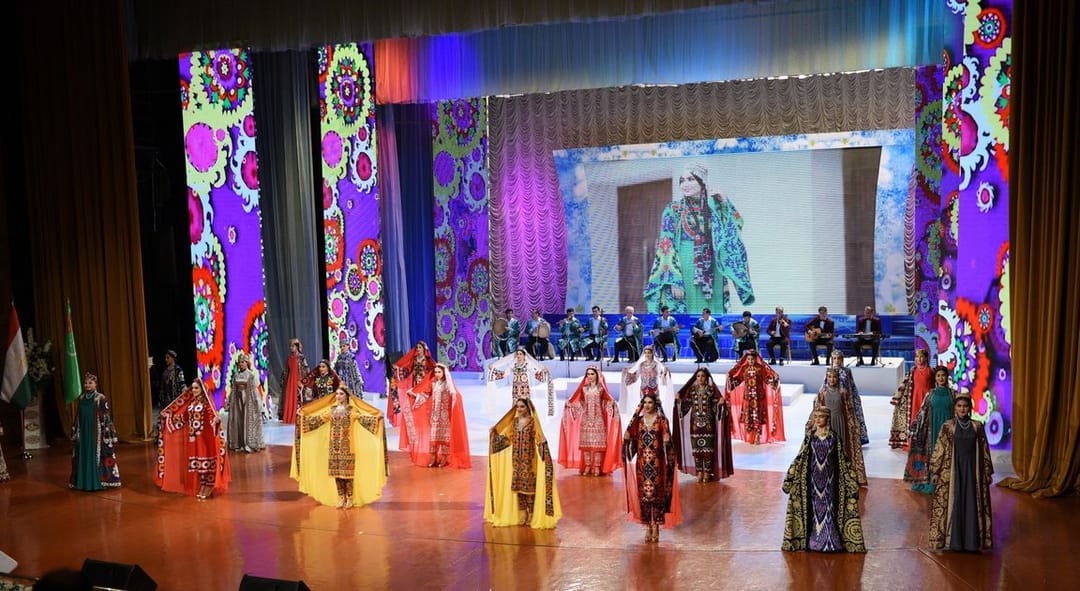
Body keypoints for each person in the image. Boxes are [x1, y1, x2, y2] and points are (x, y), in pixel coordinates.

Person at [643, 164, 754, 314]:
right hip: (683, 265)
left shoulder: (715, 206)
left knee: (714, 311)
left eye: (690, 179)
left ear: (702, 182)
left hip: (712, 267)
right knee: (687, 313)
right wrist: (674, 280)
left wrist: (725, 203)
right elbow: (666, 244)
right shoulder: (673, 209)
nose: (685, 184)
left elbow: (735, 227)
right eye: (682, 180)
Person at [781, 407, 866, 553]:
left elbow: (843, 460)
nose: (817, 419)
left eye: (821, 416)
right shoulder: (810, 438)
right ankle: (815, 540)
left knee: (829, 507)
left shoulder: (834, 438)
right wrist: (791, 477)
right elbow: (800, 458)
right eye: (815, 417)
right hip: (813, 480)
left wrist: (851, 481)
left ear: (827, 418)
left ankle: (830, 540)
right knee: (815, 509)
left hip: (830, 480)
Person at [292, 385, 387, 509]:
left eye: (341, 394)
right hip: (334, 448)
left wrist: (377, 417)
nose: (338, 396)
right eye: (337, 394)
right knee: (337, 474)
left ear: (347, 396)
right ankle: (341, 497)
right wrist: (303, 416)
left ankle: (350, 498)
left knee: (347, 475)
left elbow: (363, 419)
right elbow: (317, 420)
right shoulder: (332, 410)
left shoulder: (351, 411)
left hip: (347, 448)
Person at [929, 396, 994, 552]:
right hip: (952, 470)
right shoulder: (948, 426)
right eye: (959, 406)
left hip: (973, 471)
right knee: (955, 502)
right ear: (955, 408)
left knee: (972, 502)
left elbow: (984, 450)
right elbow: (940, 448)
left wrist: (987, 471)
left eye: (965, 406)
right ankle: (954, 541)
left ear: (969, 408)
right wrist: (936, 471)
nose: (962, 409)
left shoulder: (977, 426)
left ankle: (971, 542)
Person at [484, 398, 562, 529]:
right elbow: (507, 437)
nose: (519, 409)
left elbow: (539, 437)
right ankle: (523, 514)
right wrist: (494, 433)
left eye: (522, 407)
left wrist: (543, 447)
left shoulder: (532, 422)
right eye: (518, 407)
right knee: (519, 490)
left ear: (528, 408)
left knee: (529, 490)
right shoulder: (514, 422)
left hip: (529, 462)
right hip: (516, 462)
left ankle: (531, 514)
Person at [155, 378, 230, 500]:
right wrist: (168, 417)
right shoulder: (191, 404)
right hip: (193, 439)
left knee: (206, 462)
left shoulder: (207, 404)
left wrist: (215, 421)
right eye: (193, 388)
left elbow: (212, 416)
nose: (194, 390)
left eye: (196, 388)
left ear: (202, 390)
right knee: (197, 465)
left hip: (205, 439)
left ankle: (209, 485)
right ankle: (203, 485)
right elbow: (183, 418)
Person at [623, 393, 682, 543]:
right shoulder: (639, 421)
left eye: (650, 402)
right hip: (642, 465)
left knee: (656, 494)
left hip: (657, 464)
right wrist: (628, 437)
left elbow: (668, 441)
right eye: (645, 403)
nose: (647, 405)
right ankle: (647, 526)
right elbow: (633, 438)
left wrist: (667, 440)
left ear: (655, 404)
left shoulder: (661, 420)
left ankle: (656, 527)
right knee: (644, 495)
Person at [558, 367, 622, 476]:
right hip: (586, 419)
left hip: (598, 419)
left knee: (598, 445)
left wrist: (611, 404)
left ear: (597, 375)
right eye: (588, 374)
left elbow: (608, 401)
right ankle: (587, 466)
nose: (590, 376)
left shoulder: (601, 389)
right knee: (586, 445)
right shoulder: (584, 389)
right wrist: (571, 405)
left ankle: (597, 467)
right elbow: (581, 403)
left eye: (592, 374)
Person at [673, 367, 734, 483]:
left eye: (703, 376)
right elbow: (685, 407)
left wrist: (721, 404)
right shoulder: (692, 391)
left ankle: (707, 472)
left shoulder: (711, 391)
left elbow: (717, 408)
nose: (700, 378)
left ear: (707, 378)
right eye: (698, 376)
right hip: (695, 424)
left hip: (708, 424)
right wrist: (679, 401)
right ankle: (699, 472)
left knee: (708, 450)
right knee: (697, 450)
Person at [405, 364, 471, 468]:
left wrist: (454, 396)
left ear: (444, 373)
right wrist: (413, 394)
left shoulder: (448, 385)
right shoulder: (433, 383)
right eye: (435, 372)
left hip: (445, 416)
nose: (437, 374)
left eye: (439, 372)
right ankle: (433, 457)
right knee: (434, 436)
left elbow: (456, 395)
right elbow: (425, 395)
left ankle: (444, 457)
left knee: (444, 437)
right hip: (435, 415)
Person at [904, 366, 957, 493]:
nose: (941, 378)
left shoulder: (953, 394)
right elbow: (922, 412)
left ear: (947, 377)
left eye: (943, 375)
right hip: (933, 429)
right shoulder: (930, 394)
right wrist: (915, 429)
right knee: (933, 453)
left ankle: (947, 481)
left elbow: (958, 412)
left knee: (946, 453)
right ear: (935, 378)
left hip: (948, 429)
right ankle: (931, 479)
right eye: (938, 376)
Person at [813, 369, 867, 486]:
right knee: (828, 449)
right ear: (826, 378)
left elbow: (849, 410)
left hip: (840, 423)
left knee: (841, 448)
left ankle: (840, 476)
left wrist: (853, 425)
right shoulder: (823, 393)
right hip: (828, 424)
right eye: (830, 377)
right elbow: (817, 410)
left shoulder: (843, 392)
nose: (832, 379)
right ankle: (828, 475)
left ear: (838, 378)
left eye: (835, 377)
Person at [69, 372, 121, 491]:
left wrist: (107, 433)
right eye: (86, 383)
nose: (87, 385)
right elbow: (78, 416)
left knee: (97, 454)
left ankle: (97, 481)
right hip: (84, 432)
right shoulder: (82, 398)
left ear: (95, 384)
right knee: (83, 453)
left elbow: (106, 416)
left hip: (96, 433)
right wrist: (76, 430)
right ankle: (83, 482)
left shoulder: (100, 398)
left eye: (90, 383)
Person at [725, 349, 785, 444]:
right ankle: (750, 435)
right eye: (748, 359)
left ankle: (757, 436)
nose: (750, 361)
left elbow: (767, 379)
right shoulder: (744, 368)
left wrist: (775, 379)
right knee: (749, 416)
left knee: (758, 415)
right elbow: (738, 379)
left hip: (759, 397)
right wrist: (729, 378)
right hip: (748, 397)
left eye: (752, 359)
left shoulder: (760, 368)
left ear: (756, 359)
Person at [486, 349, 554, 417]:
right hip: (515, 390)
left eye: (520, 354)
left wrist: (544, 372)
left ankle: (526, 423)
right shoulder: (513, 365)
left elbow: (536, 374)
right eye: (517, 354)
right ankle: (515, 422)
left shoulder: (527, 364)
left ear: (524, 356)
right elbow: (504, 374)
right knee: (515, 406)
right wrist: (493, 370)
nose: (518, 355)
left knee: (524, 405)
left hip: (524, 390)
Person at [890, 349, 933, 449]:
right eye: (917, 357)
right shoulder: (913, 370)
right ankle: (912, 443)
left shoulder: (930, 371)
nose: (919, 359)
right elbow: (905, 384)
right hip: (915, 399)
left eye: (921, 357)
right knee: (914, 420)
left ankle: (924, 443)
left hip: (926, 399)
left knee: (925, 420)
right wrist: (898, 397)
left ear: (926, 358)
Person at [824, 351, 870, 446]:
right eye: (834, 358)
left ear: (842, 359)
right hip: (832, 399)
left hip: (845, 398)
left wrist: (854, 398)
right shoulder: (829, 370)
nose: (837, 361)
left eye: (839, 358)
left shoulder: (847, 371)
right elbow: (825, 384)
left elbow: (851, 385)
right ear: (832, 359)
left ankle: (850, 440)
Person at [224, 353, 266, 453]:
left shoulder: (250, 375)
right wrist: (229, 402)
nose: (241, 364)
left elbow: (254, 391)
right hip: (237, 402)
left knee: (247, 421)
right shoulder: (236, 375)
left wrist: (258, 404)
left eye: (243, 362)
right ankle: (239, 443)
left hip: (248, 402)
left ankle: (248, 444)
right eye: (240, 362)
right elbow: (233, 390)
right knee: (238, 421)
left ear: (247, 363)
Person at [391, 341, 435, 433]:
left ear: (424, 349)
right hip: (415, 384)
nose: (418, 349)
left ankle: (425, 421)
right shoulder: (414, 359)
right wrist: (399, 369)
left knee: (424, 401)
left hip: (424, 384)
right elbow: (408, 369)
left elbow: (434, 370)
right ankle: (417, 420)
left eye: (420, 347)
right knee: (415, 400)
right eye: (417, 347)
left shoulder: (427, 360)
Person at [620, 345, 674, 415]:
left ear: (652, 354)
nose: (647, 354)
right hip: (643, 390)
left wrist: (665, 373)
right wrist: (627, 373)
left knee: (654, 408)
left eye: (649, 353)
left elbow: (662, 377)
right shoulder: (641, 365)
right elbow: (635, 377)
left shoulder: (656, 365)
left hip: (653, 390)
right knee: (644, 408)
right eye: (645, 353)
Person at [280, 338, 310, 424]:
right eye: (290, 346)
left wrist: (304, 380)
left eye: (293, 346)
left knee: (298, 397)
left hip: (298, 379)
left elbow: (306, 368)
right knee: (290, 397)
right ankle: (289, 417)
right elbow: (286, 370)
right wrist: (284, 380)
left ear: (297, 347)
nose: (291, 348)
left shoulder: (301, 357)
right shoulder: (289, 358)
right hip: (290, 380)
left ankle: (297, 417)